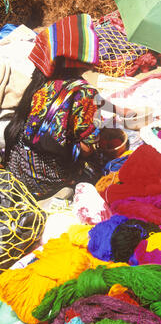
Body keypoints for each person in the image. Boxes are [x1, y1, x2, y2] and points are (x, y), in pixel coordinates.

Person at [4, 13, 128, 199]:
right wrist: (100, 130)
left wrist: (117, 110)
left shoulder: (42, 82)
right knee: (100, 162)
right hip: (44, 179)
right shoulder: (84, 93)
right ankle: (63, 189)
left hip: (18, 167)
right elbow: (86, 150)